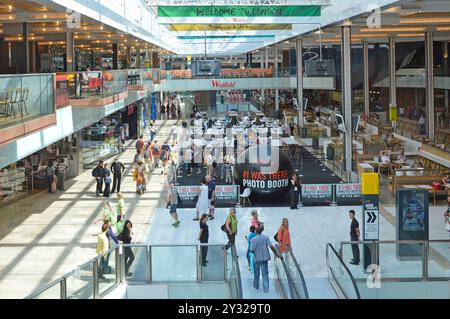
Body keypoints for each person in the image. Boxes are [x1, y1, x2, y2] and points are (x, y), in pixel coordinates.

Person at [250, 226, 283, 293]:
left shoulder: (253, 240)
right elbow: (271, 246)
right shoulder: (266, 237)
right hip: (264, 259)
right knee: (265, 274)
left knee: (256, 274)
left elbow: (252, 250)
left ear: (256, 231)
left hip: (257, 259)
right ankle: (266, 290)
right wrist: (277, 254)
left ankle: (256, 287)